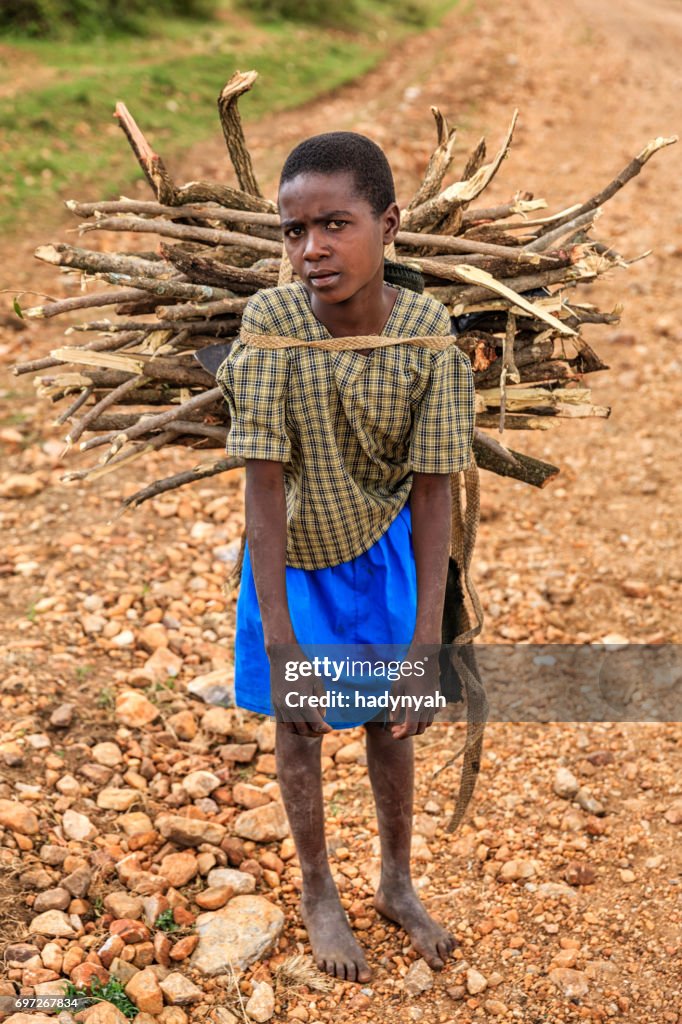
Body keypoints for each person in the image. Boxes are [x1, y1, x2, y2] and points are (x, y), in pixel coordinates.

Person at [217, 132, 475, 983]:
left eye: (335, 224)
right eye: (294, 232)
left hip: (386, 558)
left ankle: (397, 881)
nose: (312, 250)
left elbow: (434, 492)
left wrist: (426, 638)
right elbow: (261, 486)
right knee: (299, 729)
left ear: (388, 223)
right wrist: (282, 637)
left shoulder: (430, 336)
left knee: (389, 715)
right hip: (290, 564)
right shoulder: (274, 325)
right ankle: (318, 889)